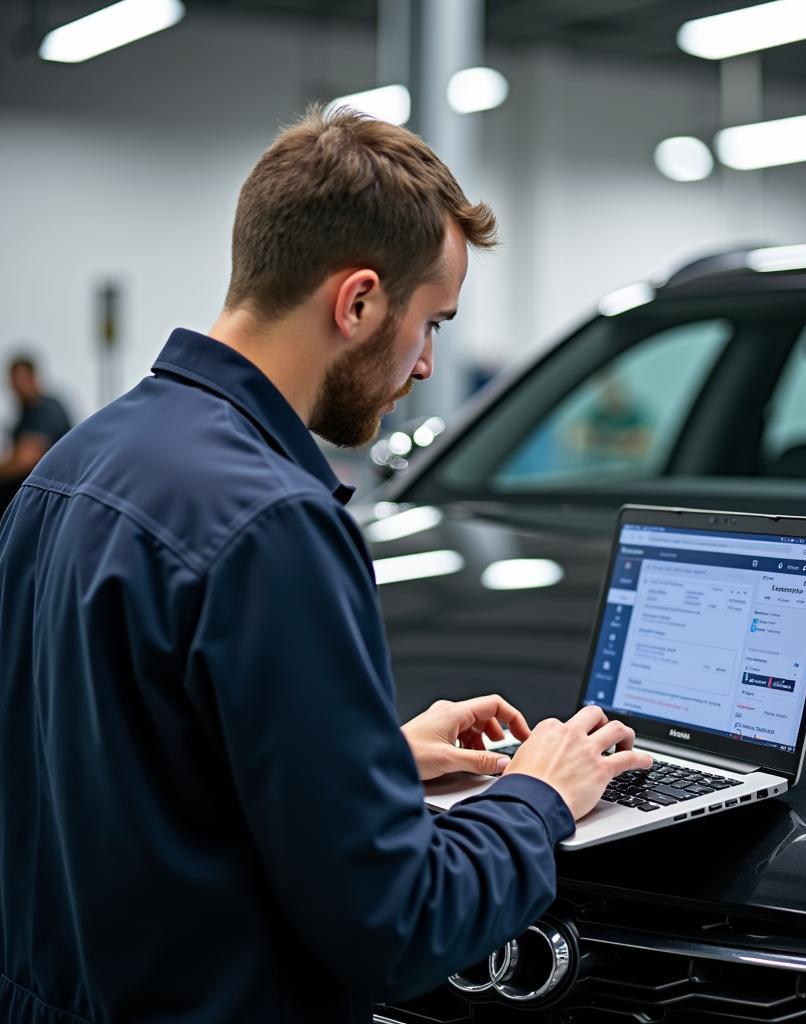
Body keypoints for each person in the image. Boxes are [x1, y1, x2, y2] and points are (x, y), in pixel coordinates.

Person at [0, 107, 650, 1023]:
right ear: (358, 302)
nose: (427, 366)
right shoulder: (273, 523)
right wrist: (541, 798)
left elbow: (126, 768)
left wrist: (368, 763)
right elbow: (400, 927)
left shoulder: (72, 465)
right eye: (432, 324)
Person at [0, 353, 72, 514]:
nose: (18, 386)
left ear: (33, 378)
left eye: (22, 379)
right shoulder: (25, 414)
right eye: (15, 380)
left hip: (49, 499)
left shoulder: (45, 409)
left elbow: (27, 458)